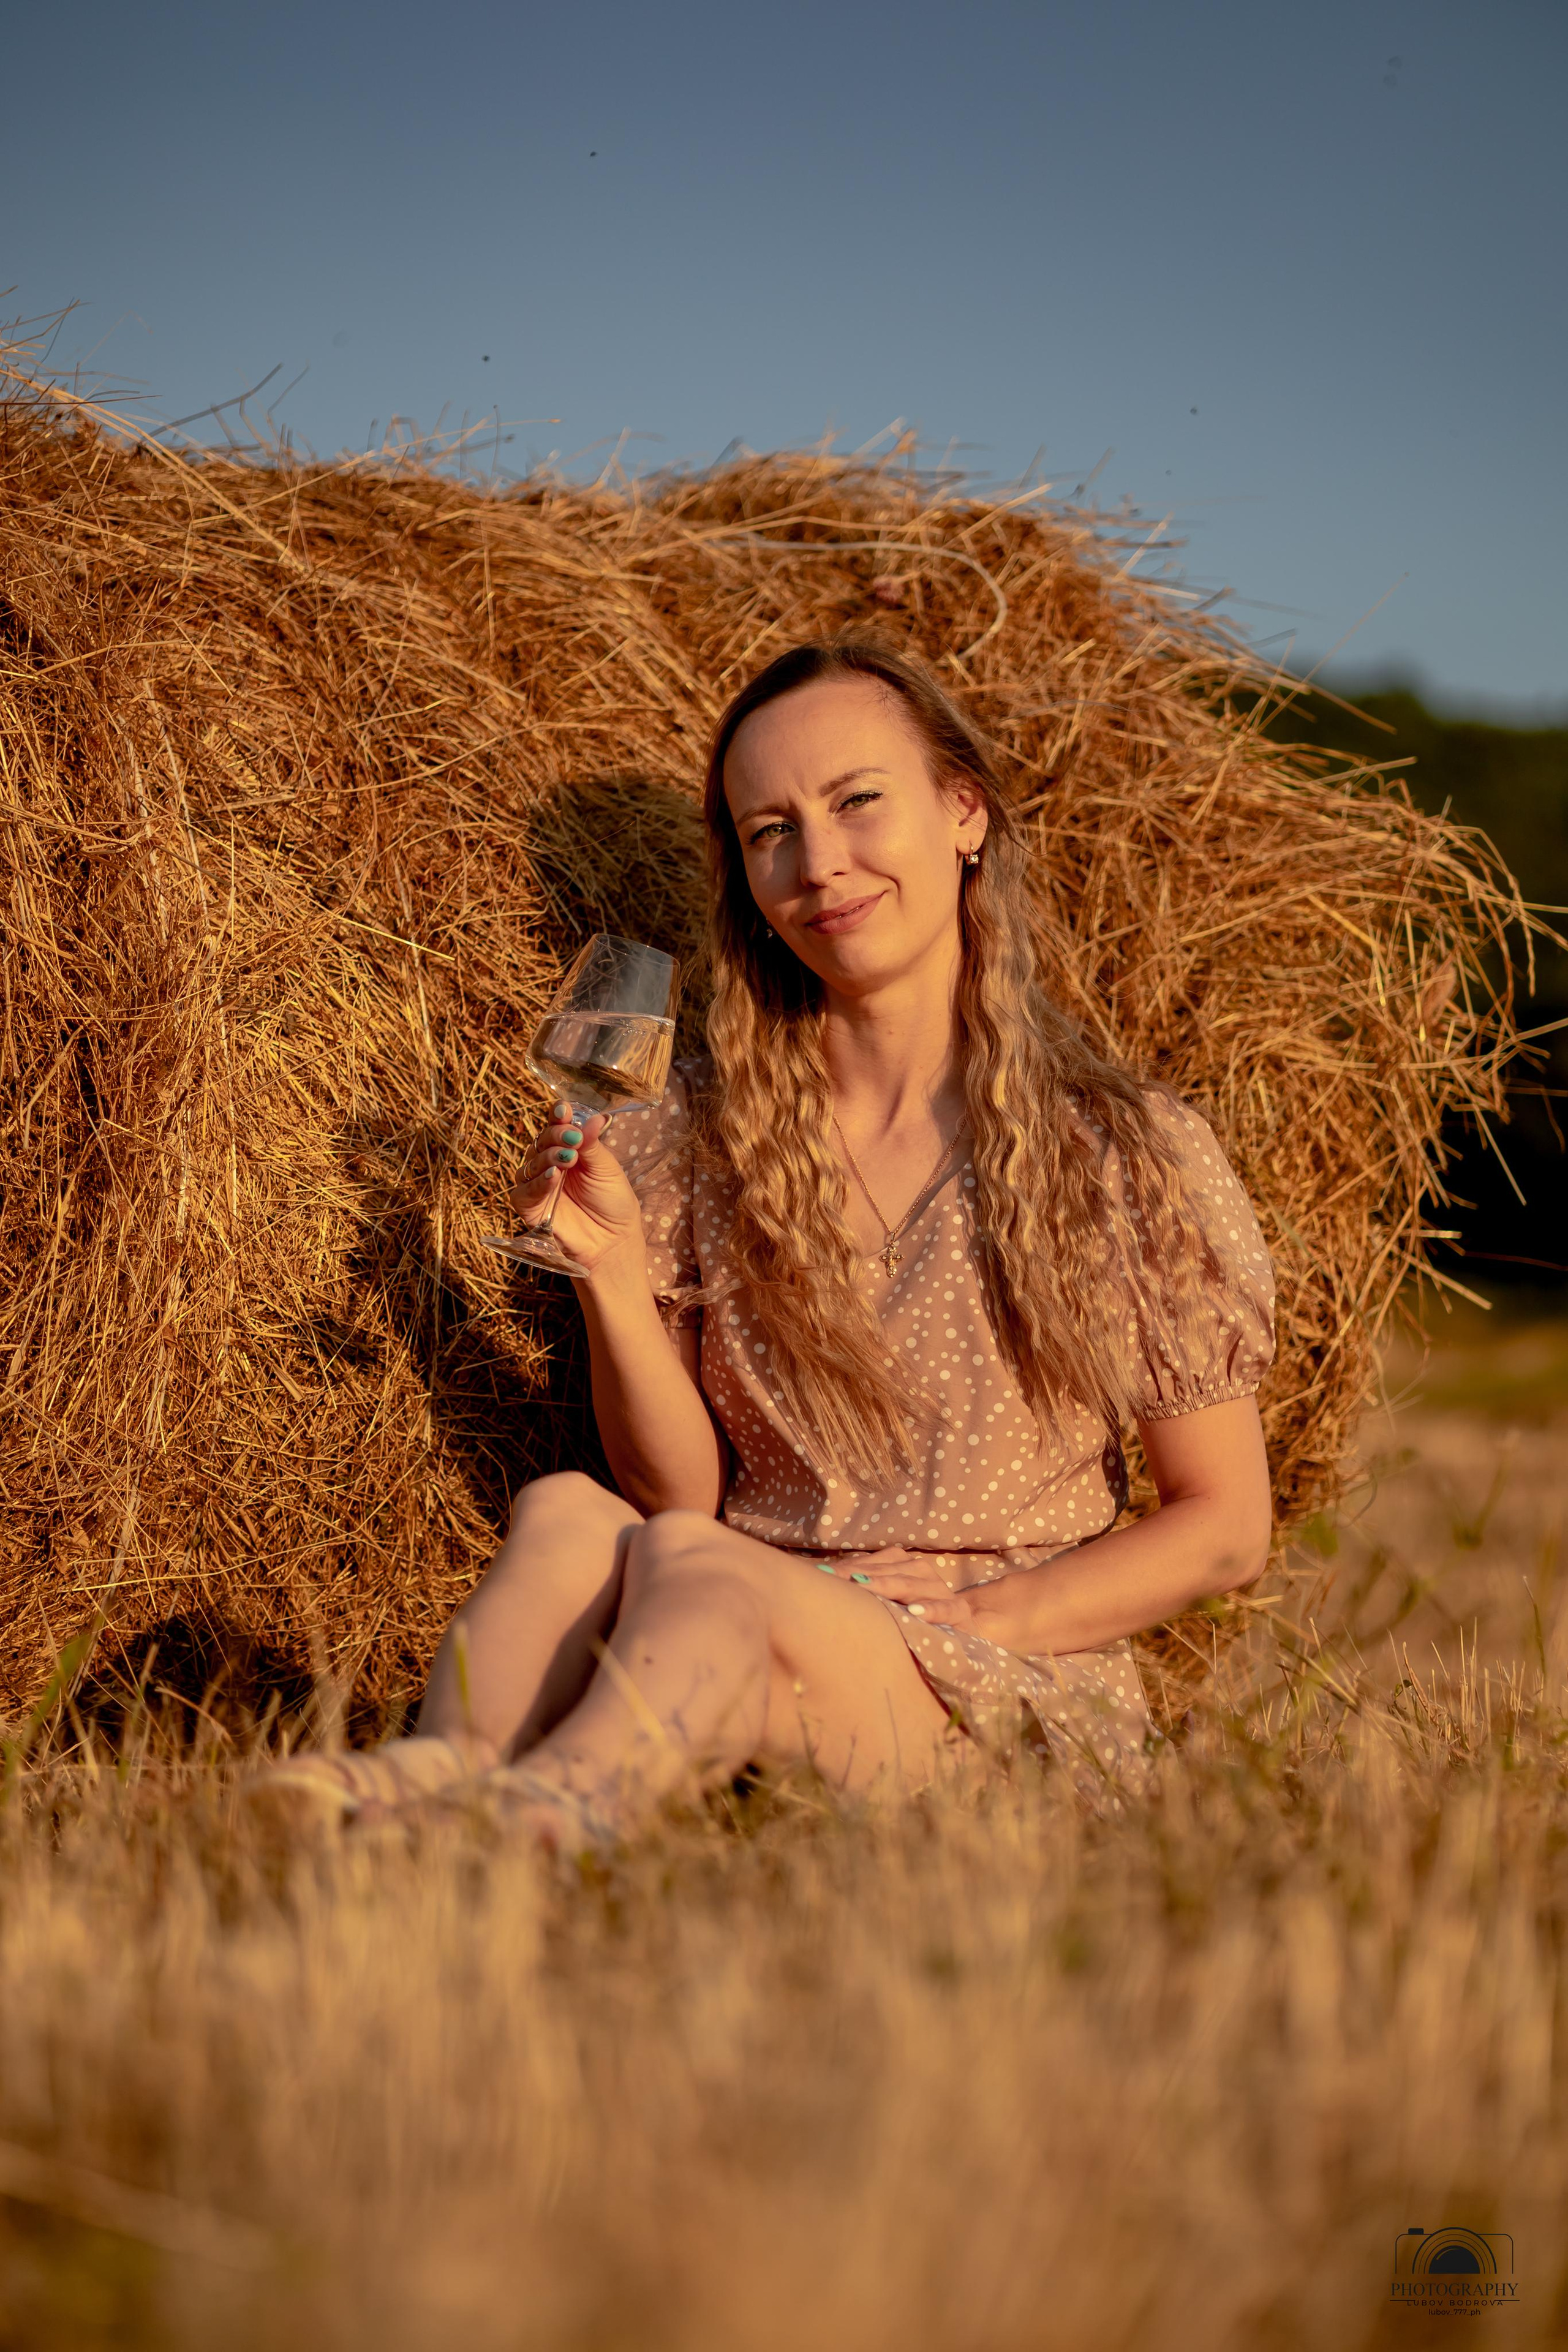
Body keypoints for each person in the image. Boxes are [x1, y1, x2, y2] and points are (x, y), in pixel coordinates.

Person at [261, 639, 1275, 1849]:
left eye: (856, 802)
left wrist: (983, 1618)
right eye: (768, 832)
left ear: (962, 813)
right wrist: (614, 1286)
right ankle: (438, 1777)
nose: (816, 862)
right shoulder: (693, 1134)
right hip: (726, 1642)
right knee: (571, 1519)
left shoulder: (1121, 1152)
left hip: (993, 1687)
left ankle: (555, 1809)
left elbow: (1221, 1526)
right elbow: (681, 1493)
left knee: (705, 1566)